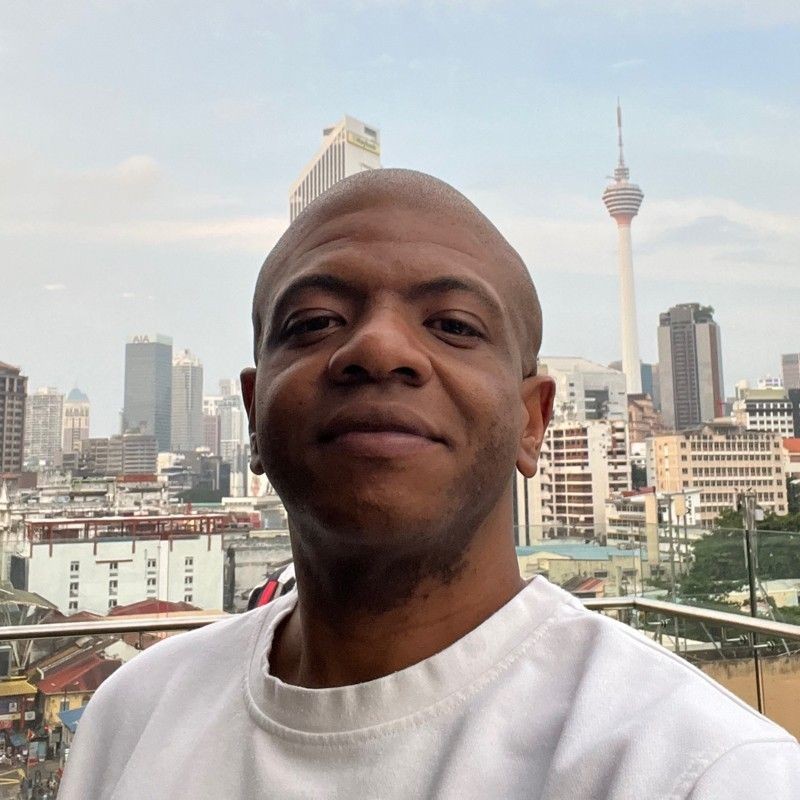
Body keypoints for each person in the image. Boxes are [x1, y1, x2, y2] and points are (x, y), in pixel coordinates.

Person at [59, 169, 799, 799]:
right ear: (253, 412)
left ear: (531, 419)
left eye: (453, 324)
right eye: (316, 321)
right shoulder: (134, 714)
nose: (378, 347)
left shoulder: (699, 772)